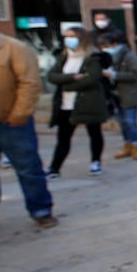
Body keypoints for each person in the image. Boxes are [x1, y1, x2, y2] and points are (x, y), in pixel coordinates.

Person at [0, 4, 56, 228]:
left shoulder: (14, 48)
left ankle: (40, 209)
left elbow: (30, 84)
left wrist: (19, 114)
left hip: (11, 122)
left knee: (28, 167)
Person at [46, 27, 109, 178]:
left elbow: (92, 78)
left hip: (88, 102)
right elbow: (52, 76)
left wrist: (66, 84)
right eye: (66, 36)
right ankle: (55, 168)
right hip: (66, 104)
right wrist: (72, 77)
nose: (68, 39)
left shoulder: (93, 57)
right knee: (63, 138)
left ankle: (95, 162)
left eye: (72, 36)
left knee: (94, 133)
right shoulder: (63, 56)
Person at [98, 31, 137, 161]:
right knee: (122, 123)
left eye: (106, 45)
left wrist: (114, 75)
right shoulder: (106, 57)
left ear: (115, 44)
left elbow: (136, 74)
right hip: (114, 96)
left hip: (129, 94)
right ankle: (128, 144)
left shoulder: (129, 56)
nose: (104, 49)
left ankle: (136, 146)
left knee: (130, 122)